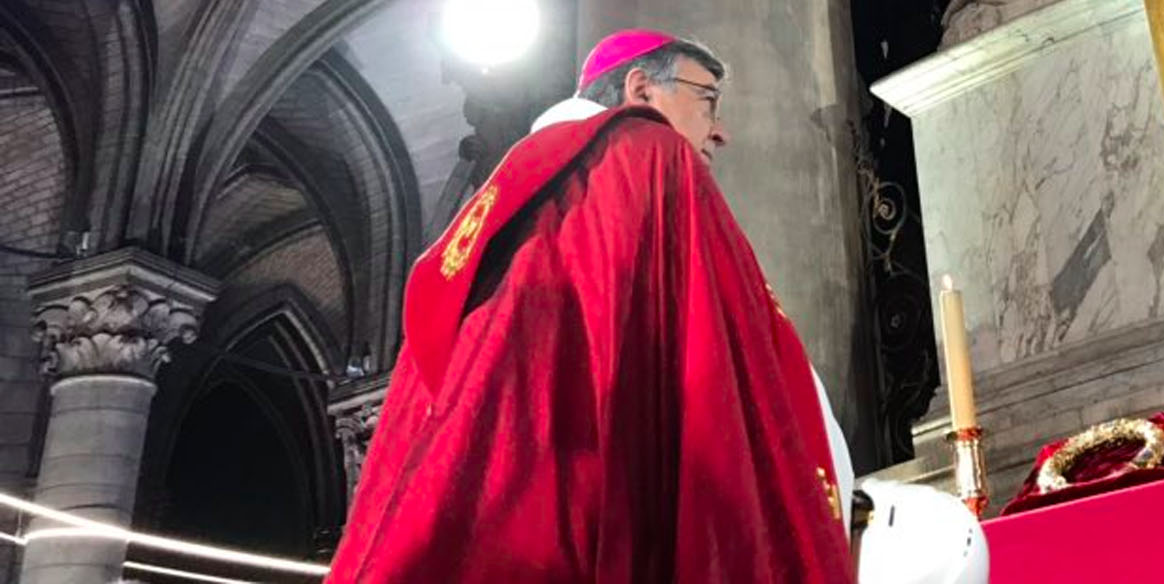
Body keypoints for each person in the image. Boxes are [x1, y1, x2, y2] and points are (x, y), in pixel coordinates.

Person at [328, 30, 855, 582]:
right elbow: (715, 367)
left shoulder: (507, 195)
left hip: (480, 513)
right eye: (708, 101)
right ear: (641, 88)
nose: (720, 132)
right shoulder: (645, 156)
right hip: (588, 512)